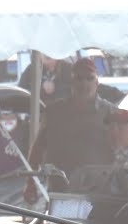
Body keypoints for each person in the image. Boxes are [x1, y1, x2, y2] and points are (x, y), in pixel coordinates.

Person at [25, 57, 116, 200]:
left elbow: (121, 154)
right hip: (61, 192)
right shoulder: (54, 112)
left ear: (97, 82)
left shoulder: (110, 113)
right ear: (72, 82)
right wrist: (30, 183)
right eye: (79, 78)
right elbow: (37, 149)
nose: (84, 83)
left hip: (98, 195)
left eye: (89, 78)